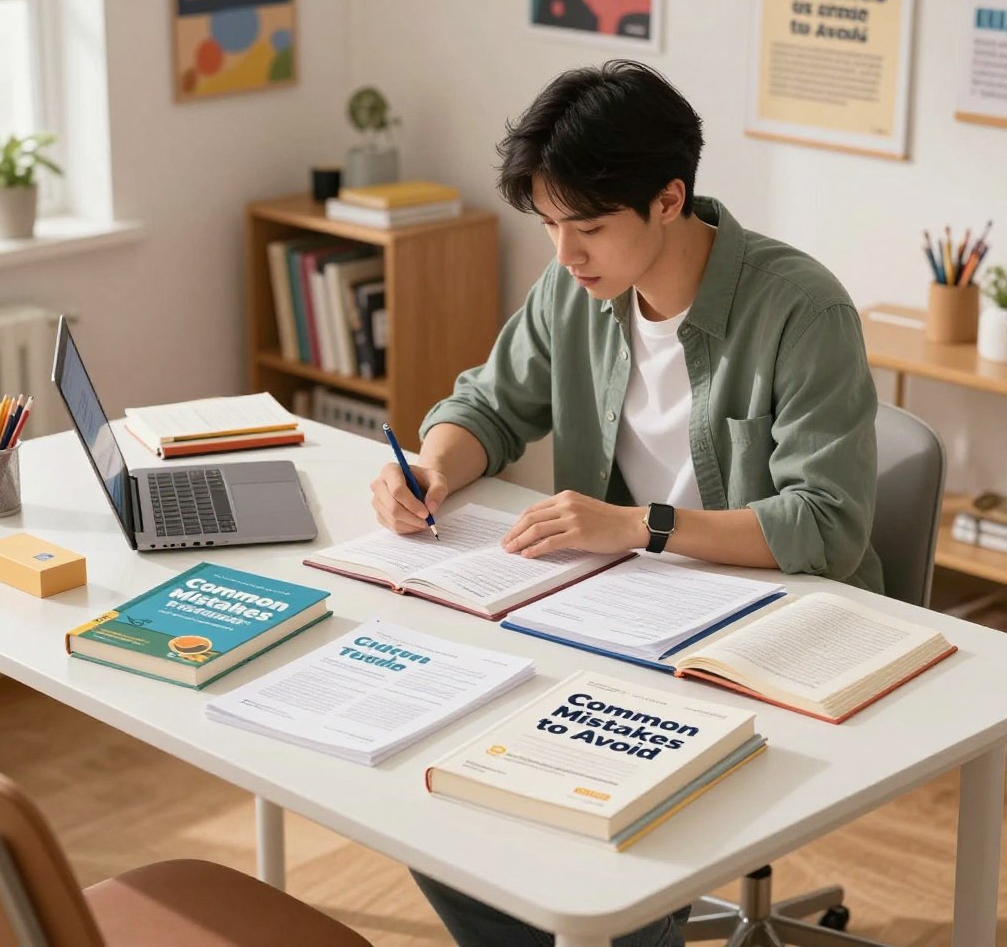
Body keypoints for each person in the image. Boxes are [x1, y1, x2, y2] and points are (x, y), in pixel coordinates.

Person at [370, 59, 882, 947]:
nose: (565, 256)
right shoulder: (575, 293)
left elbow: (829, 524)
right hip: (617, 617)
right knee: (434, 797)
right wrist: (433, 468)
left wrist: (641, 527)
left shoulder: (802, 309)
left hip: (771, 627)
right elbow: (488, 403)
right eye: (549, 226)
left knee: (608, 853)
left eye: (590, 228)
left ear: (670, 200)